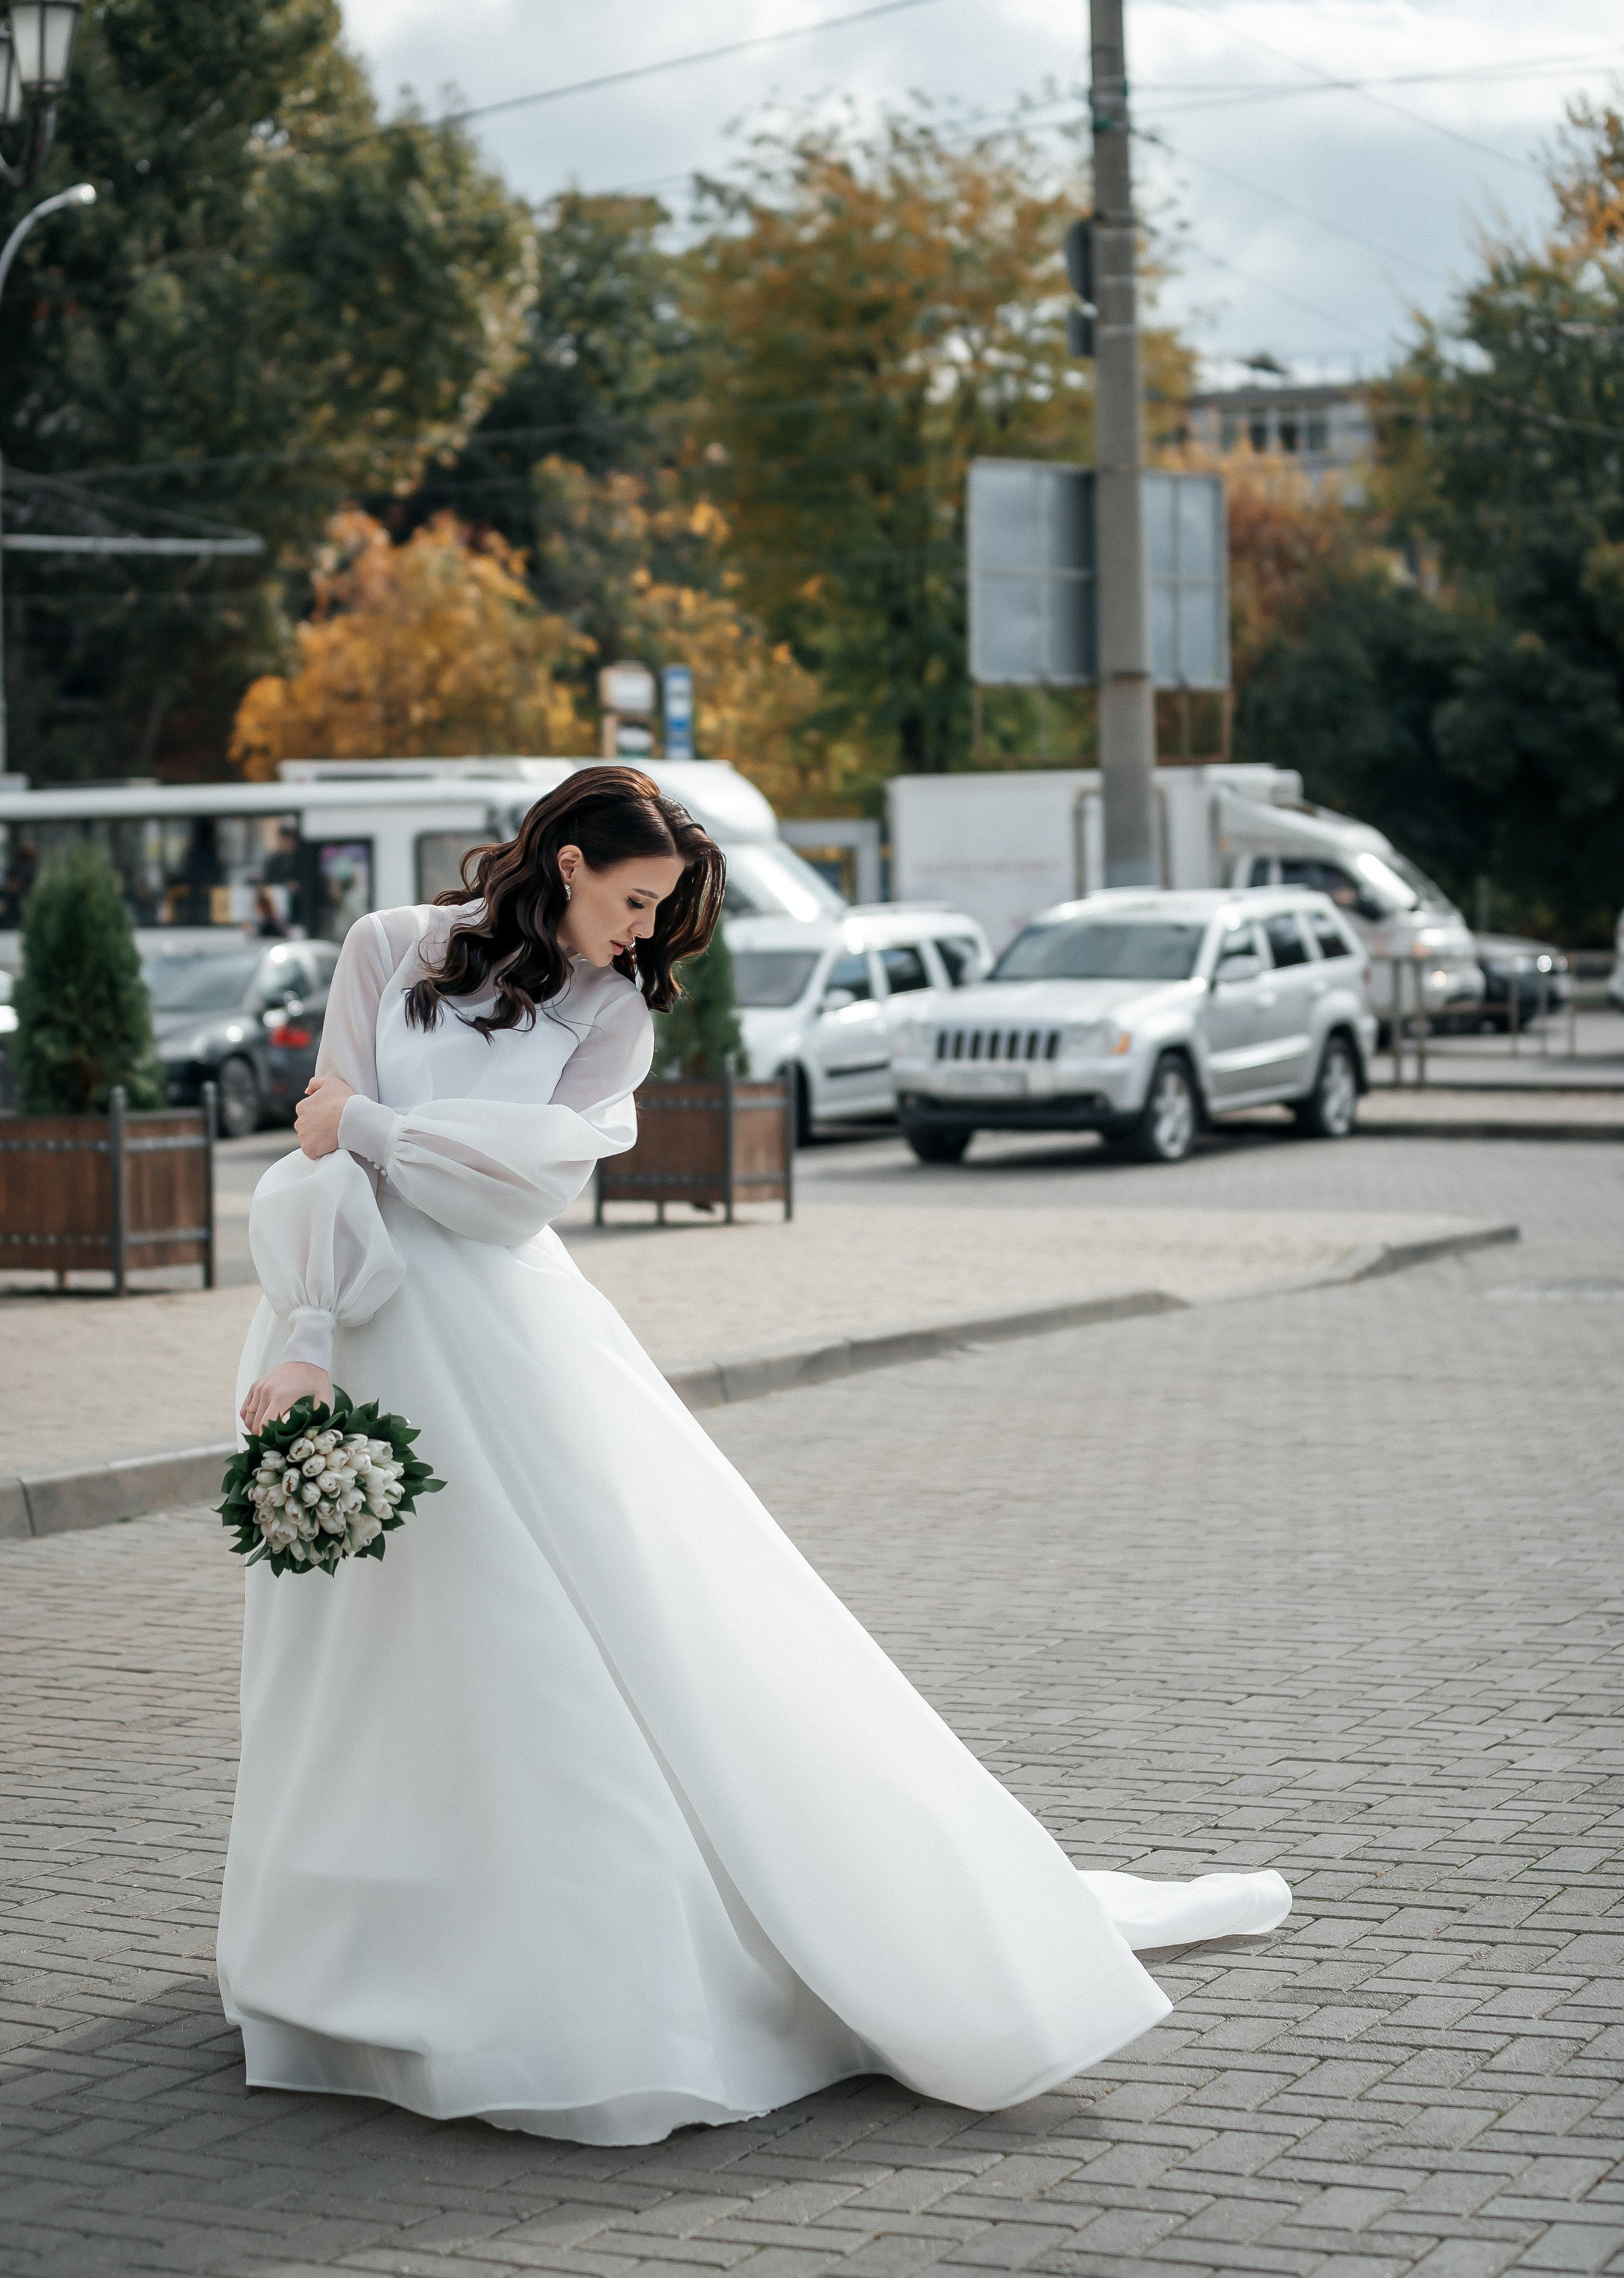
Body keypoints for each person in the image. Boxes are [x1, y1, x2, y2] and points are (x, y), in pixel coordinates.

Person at [220, 764, 1289, 2147]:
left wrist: (366, 1124)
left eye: (662, 911)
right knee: (359, 1643)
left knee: (540, 1637)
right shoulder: (386, 947)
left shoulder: (613, 1016)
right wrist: (304, 1331)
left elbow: (511, 1194)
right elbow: (320, 1172)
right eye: (632, 900)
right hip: (350, 1320)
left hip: (501, 1335)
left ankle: (584, 1978)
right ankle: (347, 1966)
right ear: (564, 866)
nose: (642, 933)